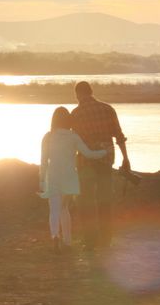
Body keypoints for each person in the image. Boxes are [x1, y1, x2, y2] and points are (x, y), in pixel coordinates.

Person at [69, 81, 130, 249]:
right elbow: (119, 136)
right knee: (105, 200)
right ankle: (106, 240)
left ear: (77, 95)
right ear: (92, 91)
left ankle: (89, 241)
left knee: (86, 202)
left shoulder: (76, 113)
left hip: (85, 162)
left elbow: (72, 141)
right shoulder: (108, 109)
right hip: (106, 159)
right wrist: (126, 159)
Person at [39, 106, 106, 253]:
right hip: (69, 177)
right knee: (64, 209)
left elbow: (44, 161)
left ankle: (55, 236)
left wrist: (42, 181)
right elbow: (88, 154)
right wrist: (104, 152)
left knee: (54, 210)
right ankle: (68, 242)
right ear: (68, 120)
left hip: (53, 176)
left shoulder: (48, 137)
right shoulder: (73, 136)